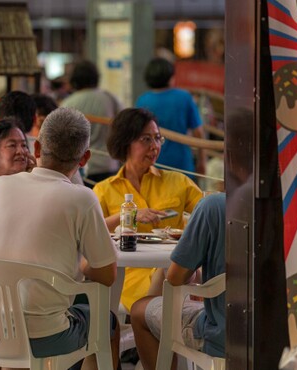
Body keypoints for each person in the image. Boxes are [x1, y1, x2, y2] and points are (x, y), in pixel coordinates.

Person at [0, 107, 120, 370]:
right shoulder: (82, 198)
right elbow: (107, 276)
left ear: (36, 149)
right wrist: (80, 266)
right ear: (84, 158)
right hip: (45, 337)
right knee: (107, 322)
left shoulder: (0, 186)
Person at [93, 108, 202, 312]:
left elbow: (208, 214)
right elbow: (93, 231)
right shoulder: (104, 190)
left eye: (158, 138)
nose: (155, 147)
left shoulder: (178, 182)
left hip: (175, 270)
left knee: (187, 275)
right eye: (146, 139)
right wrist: (127, 216)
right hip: (130, 275)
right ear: (126, 142)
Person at [130, 193, 226, 370]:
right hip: (276, 337)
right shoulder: (290, 210)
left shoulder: (213, 205)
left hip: (221, 334)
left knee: (139, 310)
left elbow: (175, 278)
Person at [135, 57, 206, 178]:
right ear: (170, 76)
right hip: (182, 164)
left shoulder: (142, 101)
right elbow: (198, 132)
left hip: (153, 162)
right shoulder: (184, 97)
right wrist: (202, 161)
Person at [61, 60, 122, 186]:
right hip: (108, 164)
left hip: (80, 167)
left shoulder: (68, 103)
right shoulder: (109, 98)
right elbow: (123, 125)